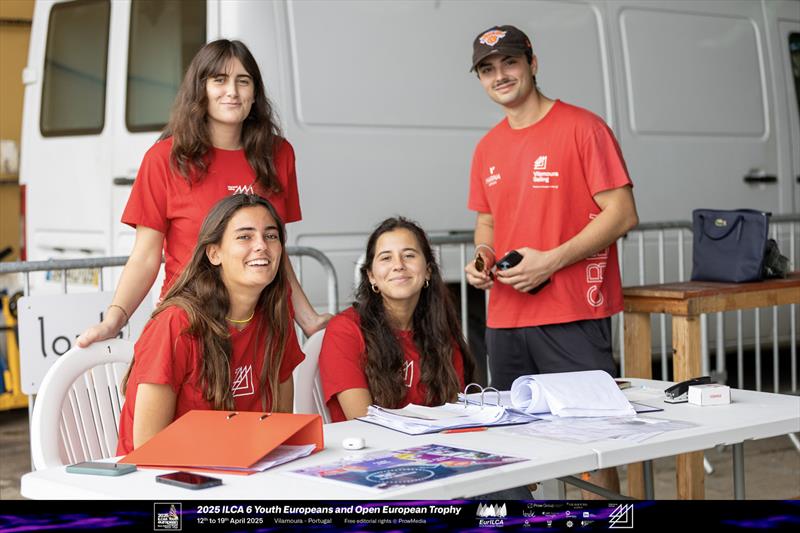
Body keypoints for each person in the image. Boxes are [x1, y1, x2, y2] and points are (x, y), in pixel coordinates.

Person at [464, 25, 639, 497]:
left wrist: (551, 262)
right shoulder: (486, 148)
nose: (500, 75)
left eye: (509, 62)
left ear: (532, 63)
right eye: (487, 69)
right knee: (515, 449)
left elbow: (622, 212)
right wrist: (481, 257)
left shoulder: (584, 127)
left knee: (596, 445)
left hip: (573, 314)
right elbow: (488, 223)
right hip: (505, 320)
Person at [77, 39, 329, 348]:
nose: (232, 91)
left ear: (255, 93)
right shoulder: (165, 158)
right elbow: (145, 256)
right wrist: (114, 320)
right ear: (200, 89)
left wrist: (307, 318)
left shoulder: (277, 154)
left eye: (243, 81)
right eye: (219, 80)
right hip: (193, 324)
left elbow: (273, 251)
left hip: (264, 326)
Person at [116, 194, 304, 454]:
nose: (262, 245)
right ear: (214, 253)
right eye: (245, 236)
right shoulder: (176, 322)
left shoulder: (276, 316)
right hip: (166, 479)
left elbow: (282, 426)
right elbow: (149, 446)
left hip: (247, 471)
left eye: (271, 236)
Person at [319, 217, 476, 422]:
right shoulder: (345, 330)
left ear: (428, 270)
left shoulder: (440, 329)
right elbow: (364, 421)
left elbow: (457, 410)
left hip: (435, 447)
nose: (398, 265)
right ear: (371, 276)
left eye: (409, 255)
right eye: (386, 258)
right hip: (372, 449)